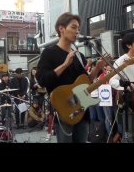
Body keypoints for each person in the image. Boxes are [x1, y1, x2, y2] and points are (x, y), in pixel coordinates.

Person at [36, 12, 110, 143]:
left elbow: (86, 82)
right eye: (73, 27)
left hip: (82, 109)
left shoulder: (79, 56)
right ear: (61, 28)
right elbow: (42, 80)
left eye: (78, 29)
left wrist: (98, 68)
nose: (77, 32)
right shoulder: (49, 53)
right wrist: (64, 65)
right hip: (63, 109)